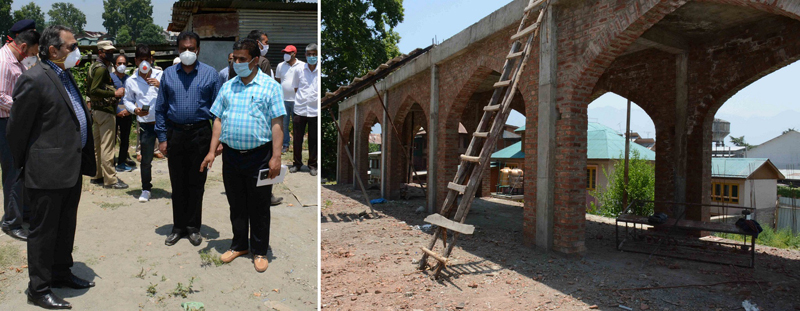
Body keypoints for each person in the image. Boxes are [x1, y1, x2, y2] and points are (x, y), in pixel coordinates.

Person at [8, 25, 97, 310]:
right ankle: (39, 288)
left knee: (65, 226)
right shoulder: (34, 79)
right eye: (72, 46)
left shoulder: (65, 75)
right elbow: (16, 131)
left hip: (70, 168)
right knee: (44, 232)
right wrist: (32, 163)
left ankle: (61, 273)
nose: (77, 51)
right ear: (53, 51)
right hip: (46, 172)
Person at [201, 38, 285, 273]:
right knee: (236, 204)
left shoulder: (271, 87)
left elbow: (277, 122)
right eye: (234, 58)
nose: (236, 63)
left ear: (255, 60)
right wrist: (211, 151)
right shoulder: (228, 86)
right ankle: (239, 245)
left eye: (242, 59)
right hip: (231, 156)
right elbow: (217, 119)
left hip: (259, 155)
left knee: (259, 206)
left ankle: (259, 250)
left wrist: (276, 157)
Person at [155, 31, 222, 247]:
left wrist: (218, 140)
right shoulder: (168, 74)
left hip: (200, 134)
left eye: (191, 48)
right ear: (177, 50)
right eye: (183, 48)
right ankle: (178, 227)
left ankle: (193, 227)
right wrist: (162, 138)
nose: (187, 52)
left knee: (197, 182)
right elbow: (161, 108)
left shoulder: (210, 74)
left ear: (198, 50)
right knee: (178, 182)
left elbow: (219, 111)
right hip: (175, 134)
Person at [0, 21, 39, 242]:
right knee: (13, 173)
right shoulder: (4, 62)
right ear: (23, 46)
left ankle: (23, 214)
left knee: (22, 171)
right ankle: (11, 222)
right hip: (5, 124)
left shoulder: (17, 59)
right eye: (30, 53)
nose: (29, 57)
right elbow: (0, 96)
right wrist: (24, 107)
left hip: (17, 124)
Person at [123, 44, 162, 203]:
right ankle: (146, 188)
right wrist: (135, 110)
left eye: (147, 60)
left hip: (162, 122)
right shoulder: (131, 80)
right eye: (141, 60)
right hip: (145, 124)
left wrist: (160, 85)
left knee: (173, 156)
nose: (144, 63)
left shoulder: (161, 75)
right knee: (146, 159)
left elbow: (172, 92)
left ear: (152, 60)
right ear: (136, 61)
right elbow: (127, 100)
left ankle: (178, 187)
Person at [87, 40, 128, 189]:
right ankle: (110, 180)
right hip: (105, 112)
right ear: (100, 52)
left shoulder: (93, 67)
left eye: (111, 51)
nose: (111, 53)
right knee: (107, 147)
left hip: (97, 111)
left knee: (97, 146)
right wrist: (114, 92)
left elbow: (89, 91)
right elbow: (94, 90)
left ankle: (97, 175)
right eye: (108, 51)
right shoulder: (101, 69)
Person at [290, 43, 319, 176]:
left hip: (315, 110)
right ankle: (297, 164)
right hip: (300, 108)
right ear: (306, 55)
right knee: (297, 139)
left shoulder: (320, 70)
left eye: (315, 54)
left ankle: (312, 165)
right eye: (310, 54)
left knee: (313, 139)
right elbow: (296, 88)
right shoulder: (299, 70)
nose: (312, 56)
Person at [275, 45, 304, 154]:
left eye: (288, 53)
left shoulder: (302, 65)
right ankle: (285, 145)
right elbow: (278, 81)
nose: (286, 55)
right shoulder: (280, 66)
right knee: (284, 124)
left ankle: (297, 145)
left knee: (298, 124)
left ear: (294, 54)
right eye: (285, 52)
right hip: (284, 100)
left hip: (298, 100)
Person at [111, 54, 136, 172]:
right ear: (115, 64)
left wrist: (128, 110)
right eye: (119, 63)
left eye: (124, 63)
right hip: (113, 114)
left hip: (127, 112)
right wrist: (117, 112)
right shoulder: (110, 78)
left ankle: (121, 163)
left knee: (125, 139)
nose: (122, 66)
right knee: (111, 140)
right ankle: (109, 164)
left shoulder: (130, 79)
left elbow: (134, 97)